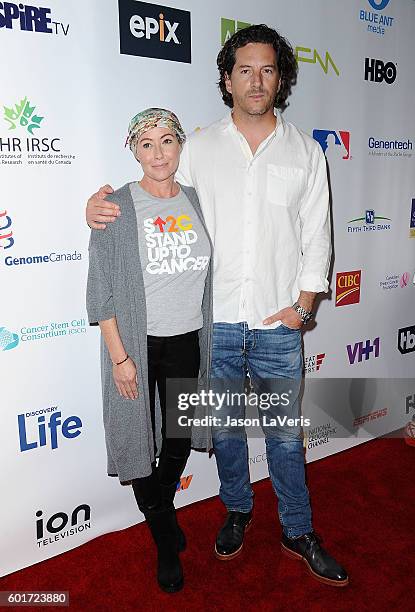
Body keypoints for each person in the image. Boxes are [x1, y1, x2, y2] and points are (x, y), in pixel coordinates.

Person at [86, 25, 348, 587]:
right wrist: (96, 205)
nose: (257, 81)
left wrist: (304, 305)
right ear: (227, 79)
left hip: (279, 324)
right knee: (225, 432)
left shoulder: (307, 151)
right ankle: (237, 511)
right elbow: (154, 188)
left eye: (268, 70)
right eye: (245, 70)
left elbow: (318, 235)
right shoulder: (198, 147)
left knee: (283, 434)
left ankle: (298, 529)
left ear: (282, 79)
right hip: (217, 326)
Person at [86, 108, 213, 593]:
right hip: (137, 345)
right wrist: (120, 359)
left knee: (178, 438)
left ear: (180, 145)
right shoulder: (117, 206)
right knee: (138, 440)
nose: (158, 153)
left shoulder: (196, 199)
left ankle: (159, 504)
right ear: (133, 150)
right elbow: (101, 293)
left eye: (167, 141)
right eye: (146, 144)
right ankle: (164, 535)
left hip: (188, 339)